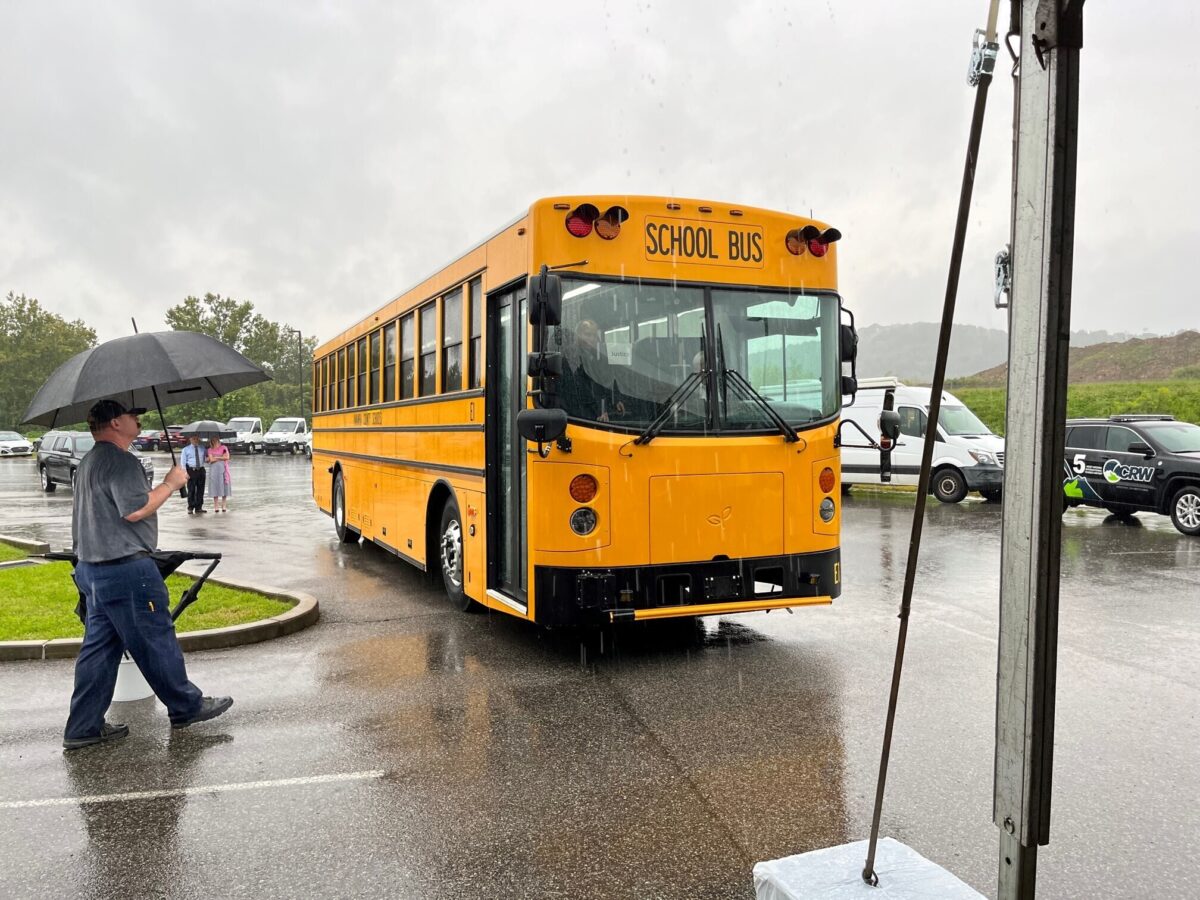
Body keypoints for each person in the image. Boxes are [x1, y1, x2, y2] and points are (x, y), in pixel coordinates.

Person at [63, 399, 233, 751]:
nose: (138, 420)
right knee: (156, 639)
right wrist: (171, 484)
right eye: (132, 415)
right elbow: (135, 510)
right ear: (114, 423)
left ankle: (83, 726)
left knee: (99, 650)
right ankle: (186, 706)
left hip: (93, 569)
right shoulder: (121, 462)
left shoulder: (90, 462)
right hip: (126, 570)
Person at [562, 319, 625, 422]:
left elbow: (606, 379)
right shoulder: (571, 358)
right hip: (580, 415)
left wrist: (616, 399)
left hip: (601, 412)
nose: (592, 339)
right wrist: (599, 410)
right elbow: (581, 389)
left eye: (595, 335)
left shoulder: (599, 357)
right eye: (587, 334)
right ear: (578, 336)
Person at [180, 434, 207, 515]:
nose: (195, 440)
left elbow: (206, 458)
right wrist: (185, 472)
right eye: (193, 439)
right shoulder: (185, 449)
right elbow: (183, 462)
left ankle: (199, 507)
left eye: (196, 439)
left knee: (200, 490)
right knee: (191, 490)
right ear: (190, 439)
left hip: (201, 470)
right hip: (191, 470)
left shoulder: (202, 448)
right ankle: (190, 507)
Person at [206, 436, 231, 513]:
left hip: (223, 469)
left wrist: (215, 457)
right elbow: (211, 460)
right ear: (211, 441)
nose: (215, 441)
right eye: (213, 440)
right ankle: (216, 506)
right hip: (214, 470)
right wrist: (220, 457)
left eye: (216, 440)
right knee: (214, 486)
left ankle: (224, 505)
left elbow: (227, 457)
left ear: (218, 440)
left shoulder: (224, 447)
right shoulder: (209, 450)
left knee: (224, 485)